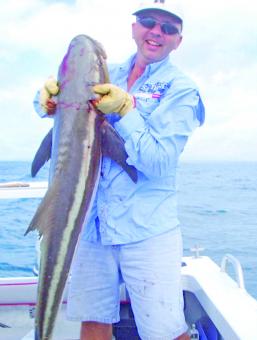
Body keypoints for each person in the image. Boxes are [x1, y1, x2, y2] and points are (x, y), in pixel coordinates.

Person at [35, 1, 205, 339]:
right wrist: (46, 102)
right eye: (147, 22)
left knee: (165, 331)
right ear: (134, 28)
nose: (156, 31)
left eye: (168, 28)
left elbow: (157, 162)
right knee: (93, 322)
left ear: (178, 40)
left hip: (147, 231)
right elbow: (68, 106)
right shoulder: (109, 73)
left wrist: (126, 111)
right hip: (93, 229)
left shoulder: (182, 90)